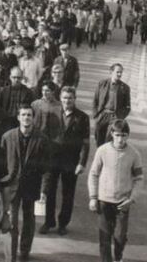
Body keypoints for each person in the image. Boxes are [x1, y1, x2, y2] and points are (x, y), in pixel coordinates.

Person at [88, 120, 144, 262]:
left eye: (124, 135)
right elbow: (94, 174)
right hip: (104, 200)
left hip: (122, 202)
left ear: (128, 136)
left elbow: (139, 178)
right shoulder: (103, 150)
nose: (120, 139)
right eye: (118, 135)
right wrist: (93, 197)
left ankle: (118, 255)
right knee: (104, 237)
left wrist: (131, 199)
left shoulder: (134, 154)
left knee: (120, 236)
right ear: (112, 134)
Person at [0, 105, 51, 262]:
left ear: (33, 117)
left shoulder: (42, 139)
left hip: (32, 186)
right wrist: (1, 185)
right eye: (23, 115)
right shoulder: (7, 137)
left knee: (29, 222)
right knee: (12, 222)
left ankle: (24, 252)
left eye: (29, 115)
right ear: (18, 117)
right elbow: (1, 164)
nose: (26, 118)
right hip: (11, 186)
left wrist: (43, 190)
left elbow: (47, 168)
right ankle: (12, 256)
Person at [40, 86, 90, 236]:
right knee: (49, 190)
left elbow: (86, 143)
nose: (67, 101)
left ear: (75, 99)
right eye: (64, 98)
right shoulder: (52, 113)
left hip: (71, 160)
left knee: (68, 193)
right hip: (53, 159)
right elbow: (44, 136)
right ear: (60, 98)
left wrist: (82, 162)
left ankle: (63, 223)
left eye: (70, 98)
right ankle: (48, 222)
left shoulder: (82, 117)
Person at [92, 63, 131, 147]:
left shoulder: (125, 88)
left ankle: (107, 157)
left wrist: (119, 117)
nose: (120, 74)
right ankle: (101, 157)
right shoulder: (102, 84)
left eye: (121, 72)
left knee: (109, 140)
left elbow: (127, 107)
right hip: (102, 115)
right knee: (98, 139)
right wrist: (96, 115)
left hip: (115, 116)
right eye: (117, 72)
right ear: (111, 72)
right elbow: (95, 100)